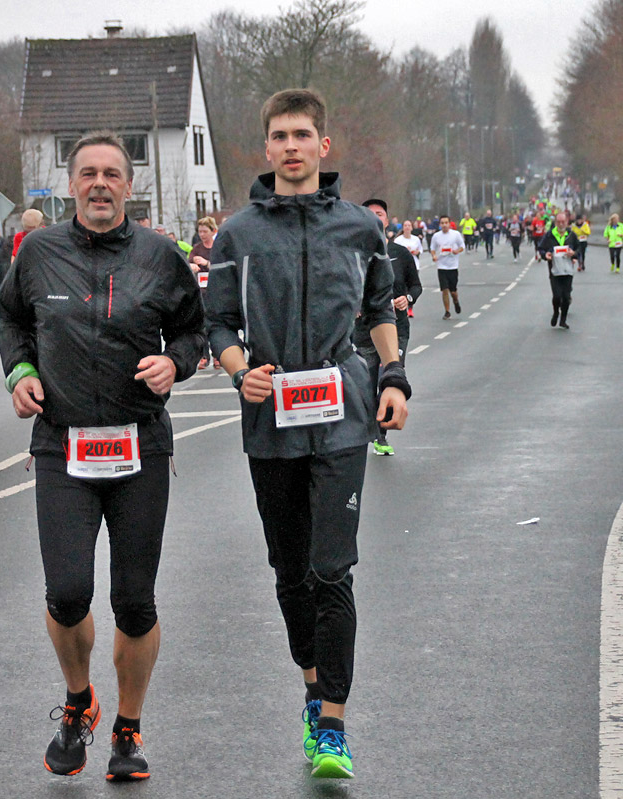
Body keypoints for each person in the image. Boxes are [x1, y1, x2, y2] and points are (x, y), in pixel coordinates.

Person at [205, 88, 410, 780]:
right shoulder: (237, 235)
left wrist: (393, 377)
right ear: (266, 149)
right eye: (279, 135)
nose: (291, 146)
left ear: (324, 147)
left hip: (343, 414)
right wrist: (241, 373)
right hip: (270, 419)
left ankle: (333, 722)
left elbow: (379, 308)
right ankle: (311, 682)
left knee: (332, 569)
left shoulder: (358, 227)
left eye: (302, 135)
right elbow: (218, 323)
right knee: (289, 571)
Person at [0, 131, 205, 781]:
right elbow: (11, 321)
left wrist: (177, 362)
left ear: (129, 185)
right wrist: (20, 371)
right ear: (70, 184)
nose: (100, 184)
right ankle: (79, 699)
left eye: (112, 173)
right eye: (87, 173)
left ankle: (128, 729)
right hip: (62, 445)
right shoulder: (37, 252)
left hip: (140, 444)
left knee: (135, 601)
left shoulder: (160, 255)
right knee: (66, 592)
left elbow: (195, 330)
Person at [358, 198, 421, 456]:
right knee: (368, 383)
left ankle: (381, 436)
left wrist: (408, 298)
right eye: (370, 213)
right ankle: (367, 431)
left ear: (387, 220)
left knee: (390, 378)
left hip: (398, 328)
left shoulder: (400, 253)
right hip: (363, 331)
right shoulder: (355, 255)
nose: (375, 217)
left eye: (380, 213)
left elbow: (415, 286)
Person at [538, 211, 578, 328]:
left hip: (568, 271)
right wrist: (545, 255)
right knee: (557, 296)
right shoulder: (550, 235)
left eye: (563, 222)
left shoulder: (571, 235)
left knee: (566, 297)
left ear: (567, 222)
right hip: (555, 271)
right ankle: (556, 313)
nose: (561, 224)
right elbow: (541, 248)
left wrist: (574, 254)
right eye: (559, 222)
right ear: (555, 223)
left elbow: (579, 248)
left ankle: (563, 320)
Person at [188, 216, 218, 368]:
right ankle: (204, 356)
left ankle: (218, 354)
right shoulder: (197, 248)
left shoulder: (218, 247)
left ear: (213, 231)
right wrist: (191, 266)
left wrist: (207, 263)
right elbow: (188, 262)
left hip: (217, 290)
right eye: (200, 231)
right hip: (201, 291)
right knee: (202, 324)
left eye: (205, 231)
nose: (202, 234)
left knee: (216, 322)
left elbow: (223, 266)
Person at [431, 213, 465, 319]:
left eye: (446, 223)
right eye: (442, 223)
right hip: (441, 266)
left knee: (453, 291)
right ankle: (447, 311)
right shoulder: (436, 236)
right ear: (440, 224)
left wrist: (457, 251)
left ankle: (455, 300)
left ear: (450, 224)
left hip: (453, 266)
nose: (444, 225)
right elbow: (432, 248)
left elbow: (462, 246)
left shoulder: (455, 234)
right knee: (444, 289)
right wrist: (434, 256)